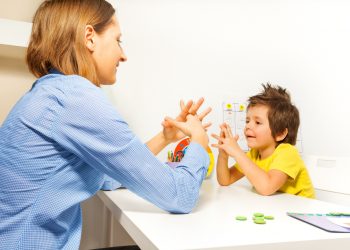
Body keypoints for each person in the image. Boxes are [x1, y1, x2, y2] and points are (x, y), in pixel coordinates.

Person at [0, 0, 212, 249]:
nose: (123, 55)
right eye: (118, 40)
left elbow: (108, 175)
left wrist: (164, 138)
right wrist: (198, 141)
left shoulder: (50, 92)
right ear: (89, 37)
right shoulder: (75, 97)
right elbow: (180, 195)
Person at [211, 83, 315, 198]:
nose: (248, 126)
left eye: (258, 122)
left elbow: (266, 188)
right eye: (247, 121)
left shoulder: (288, 153)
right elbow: (225, 180)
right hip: (276, 209)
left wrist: (237, 152)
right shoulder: (254, 154)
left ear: (280, 133)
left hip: (301, 212)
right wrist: (223, 155)